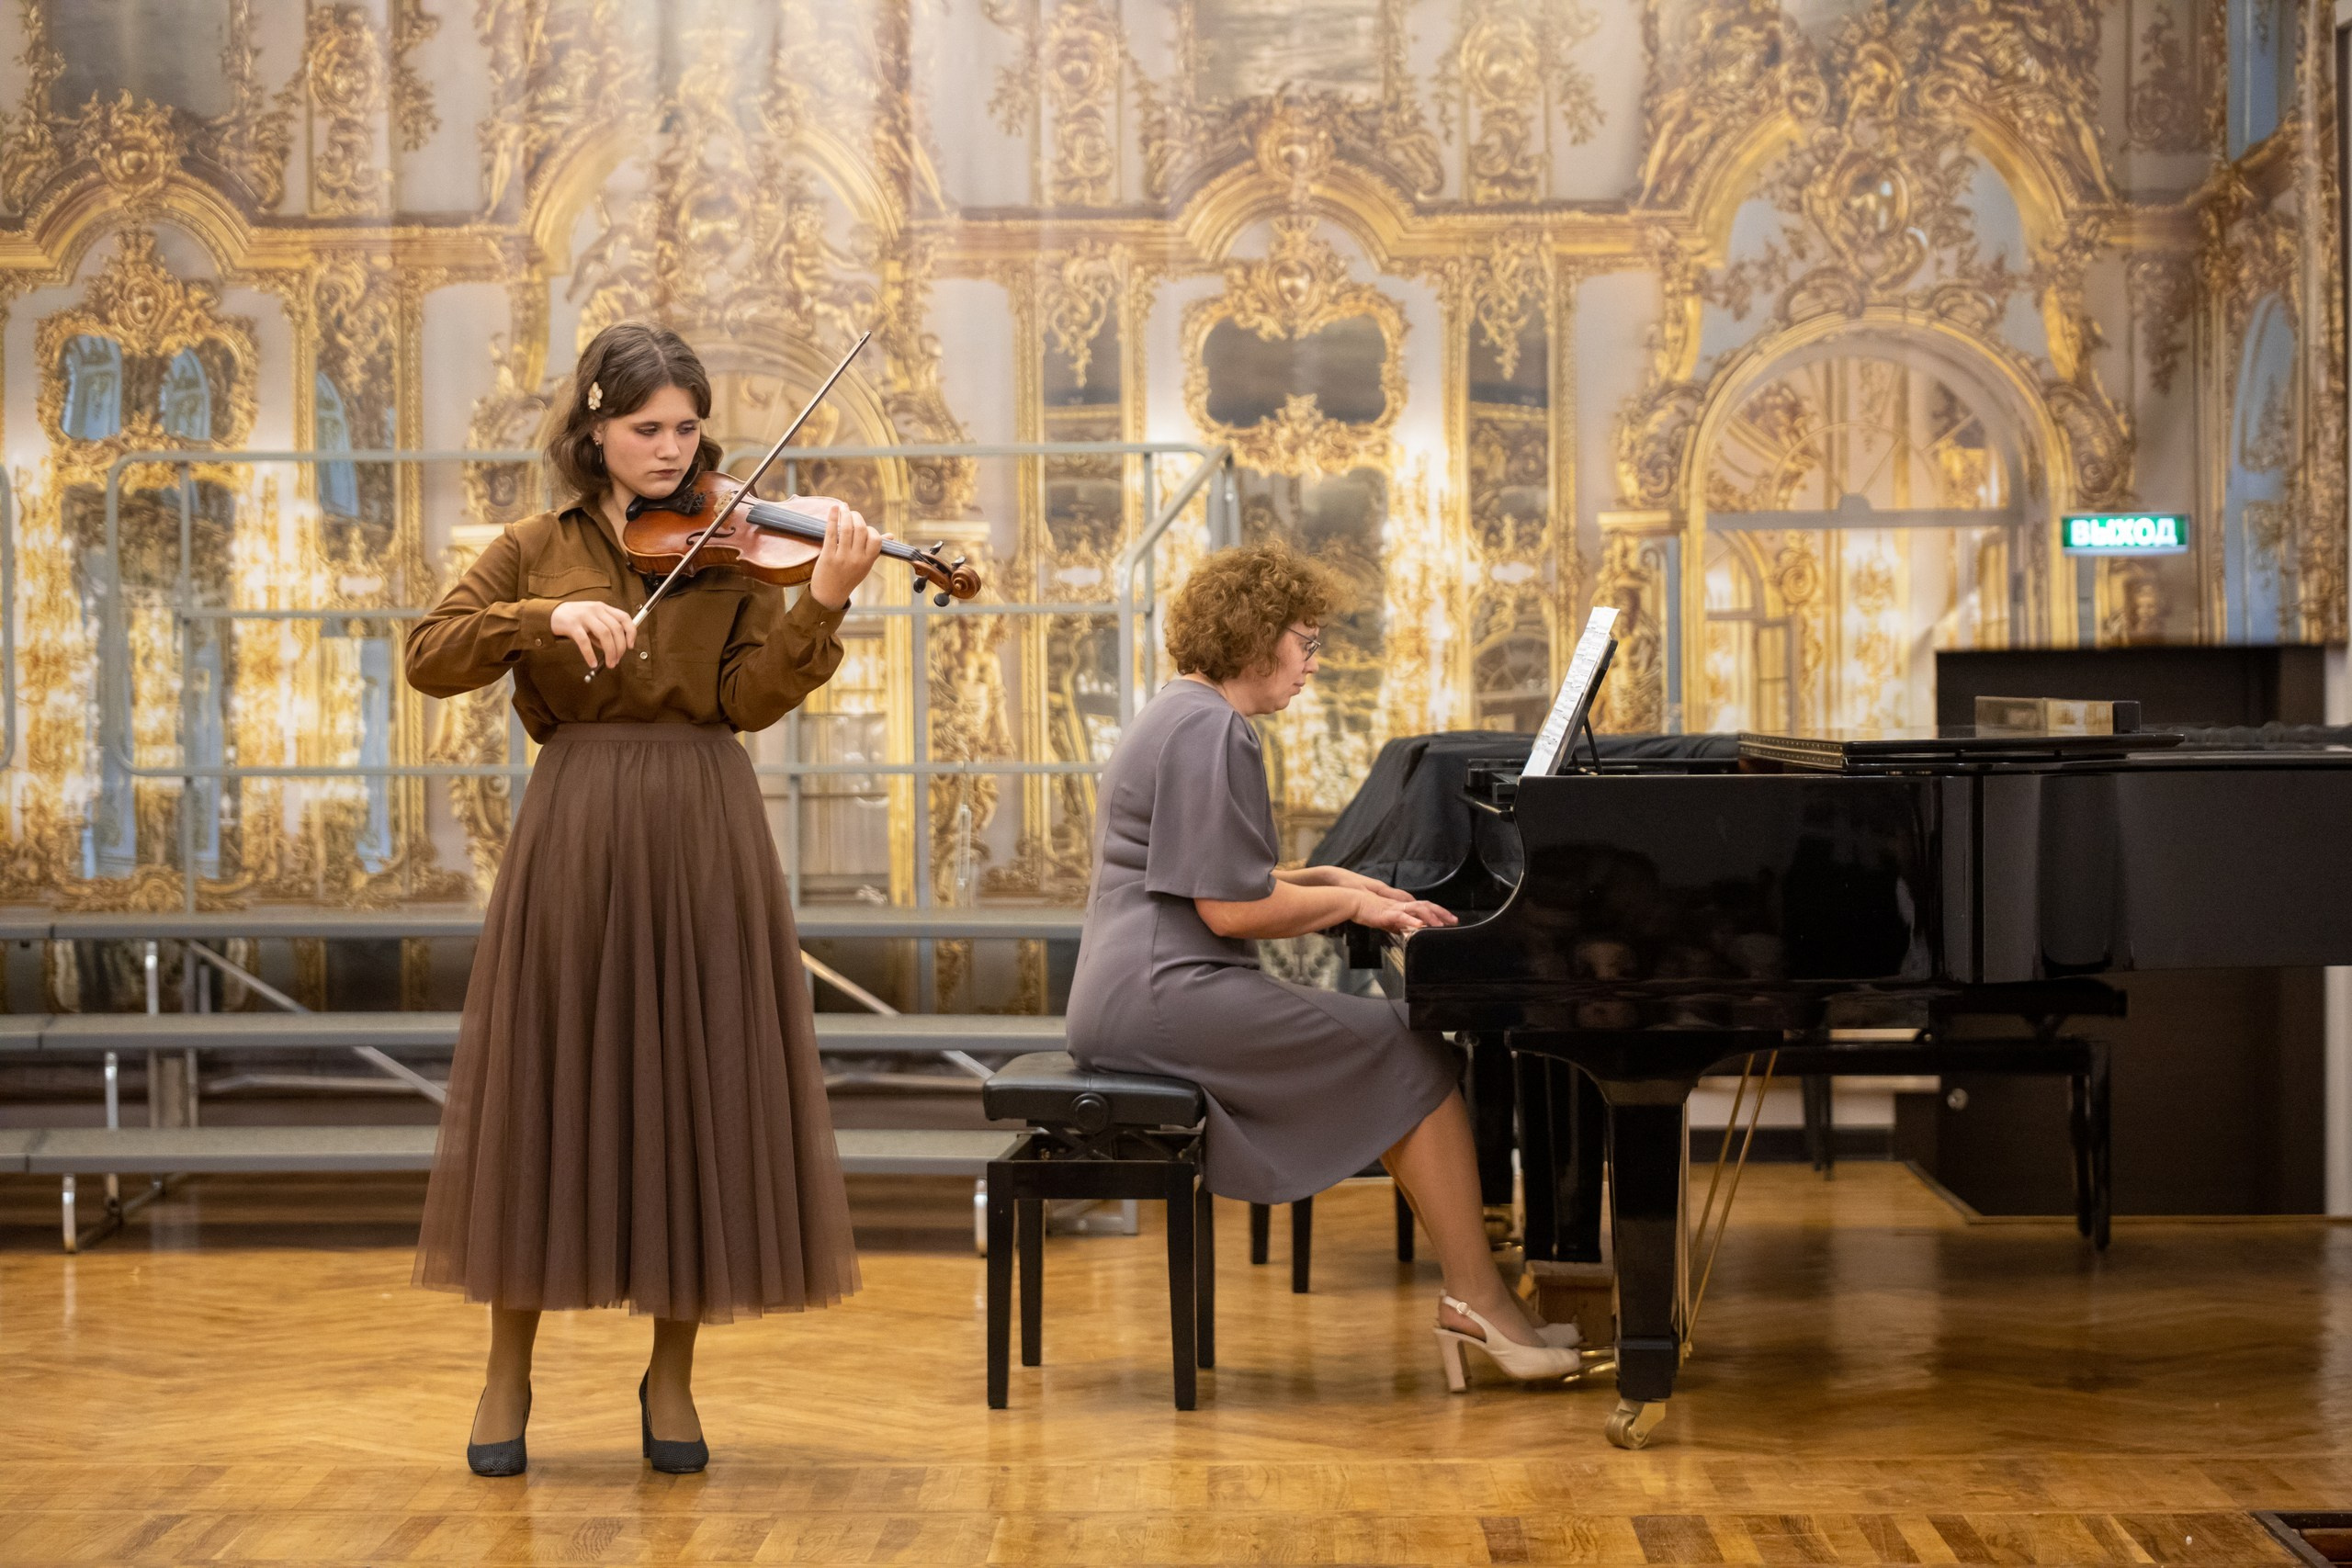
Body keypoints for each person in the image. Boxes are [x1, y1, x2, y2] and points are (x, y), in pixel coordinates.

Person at [405, 322, 884, 1475]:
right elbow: (430, 653)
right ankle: (505, 1368)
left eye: (686, 429)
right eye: (646, 428)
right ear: (595, 431)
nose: (672, 449)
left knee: (696, 1086)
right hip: (576, 823)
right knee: (545, 1086)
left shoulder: (734, 544)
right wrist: (544, 619)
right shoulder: (531, 546)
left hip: (701, 818)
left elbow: (752, 697)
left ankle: (670, 1376)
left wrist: (819, 601)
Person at [1065, 543, 1583, 1391]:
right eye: (1304, 640)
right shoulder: (1213, 729)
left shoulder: (1182, 713)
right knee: (1413, 1049)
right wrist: (1352, 904)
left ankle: (1486, 1302)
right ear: (1255, 637)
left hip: (1138, 987)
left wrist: (1339, 878)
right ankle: (1477, 1299)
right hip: (1164, 994)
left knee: (1406, 1049)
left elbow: (1216, 879)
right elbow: (1231, 910)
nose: (1313, 661)